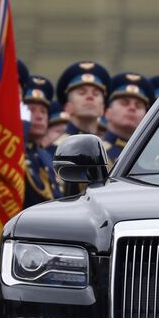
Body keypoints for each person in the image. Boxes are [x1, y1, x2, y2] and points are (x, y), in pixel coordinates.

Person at [51, 62, 110, 146]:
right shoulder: (56, 150)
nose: (90, 96)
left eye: (96, 94)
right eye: (82, 93)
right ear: (68, 107)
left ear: (102, 108)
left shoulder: (109, 153)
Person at [22, 77, 57, 209]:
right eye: (31, 110)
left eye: (43, 111)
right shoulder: (14, 152)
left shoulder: (46, 156)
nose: (39, 116)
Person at [101, 72, 152, 162]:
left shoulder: (150, 157)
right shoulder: (96, 152)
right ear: (108, 113)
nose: (132, 108)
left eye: (138, 105)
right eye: (124, 103)